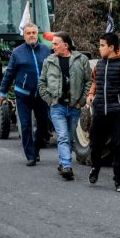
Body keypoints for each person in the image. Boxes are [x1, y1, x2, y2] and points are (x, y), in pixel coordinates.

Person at [86, 32, 120, 192]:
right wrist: (91, 94)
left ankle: (119, 180)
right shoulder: (99, 65)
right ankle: (95, 168)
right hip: (99, 112)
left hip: (117, 113)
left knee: (118, 146)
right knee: (95, 144)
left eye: (102, 45)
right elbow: (95, 81)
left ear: (111, 47)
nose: (99, 48)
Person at [39, 32, 92, 180]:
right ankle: (67, 166)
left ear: (66, 45)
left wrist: (81, 101)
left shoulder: (81, 60)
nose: (53, 46)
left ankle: (63, 162)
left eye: (56, 44)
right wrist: (49, 101)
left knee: (68, 137)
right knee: (62, 136)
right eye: (53, 44)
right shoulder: (49, 61)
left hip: (74, 107)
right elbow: (42, 83)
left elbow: (88, 81)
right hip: (57, 107)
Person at [0, 23, 51, 166]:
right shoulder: (17, 52)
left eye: (34, 32)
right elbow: (9, 73)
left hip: (41, 95)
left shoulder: (46, 51)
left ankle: (36, 149)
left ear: (37, 33)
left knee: (43, 127)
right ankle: (30, 156)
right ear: (24, 35)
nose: (32, 35)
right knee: (26, 125)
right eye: (28, 33)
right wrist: (3, 92)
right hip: (23, 95)